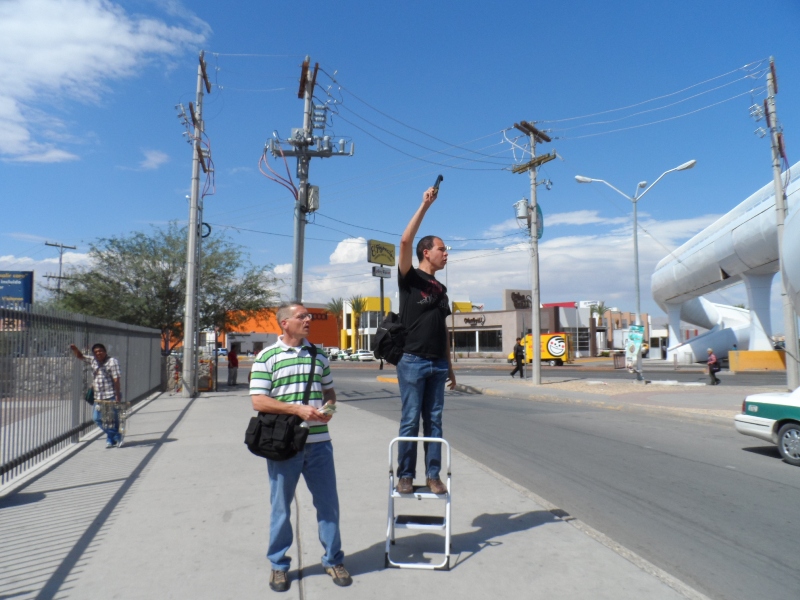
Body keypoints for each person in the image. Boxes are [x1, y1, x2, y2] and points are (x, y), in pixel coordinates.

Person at [249, 302, 351, 593]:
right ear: (284, 323)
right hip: (284, 445)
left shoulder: (318, 355)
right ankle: (279, 566)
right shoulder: (267, 357)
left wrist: (330, 407)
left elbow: (329, 390)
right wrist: (298, 410)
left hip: (320, 443)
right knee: (281, 508)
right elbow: (259, 401)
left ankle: (333, 559)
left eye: (308, 316)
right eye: (301, 316)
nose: (308, 320)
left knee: (328, 505)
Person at [395, 185, 456, 496]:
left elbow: (442, 329)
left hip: (437, 364)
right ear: (426, 252)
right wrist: (425, 205)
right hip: (413, 361)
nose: (446, 254)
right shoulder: (410, 278)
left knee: (434, 422)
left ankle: (433, 476)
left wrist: (450, 368)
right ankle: (405, 474)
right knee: (410, 421)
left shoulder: (441, 289)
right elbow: (404, 240)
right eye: (442, 249)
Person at [69, 343, 123, 448]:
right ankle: (116, 435)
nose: (98, 353)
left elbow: (116, 380)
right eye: (96, 352)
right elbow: (81, 356)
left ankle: (110, 439)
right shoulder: (93, 360)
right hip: (98, 396)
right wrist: (75, 349)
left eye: (100, 351)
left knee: (112, 419)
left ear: (105, 351)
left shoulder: (112, 362)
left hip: (111, 394)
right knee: (97, 418)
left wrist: (117, 396)